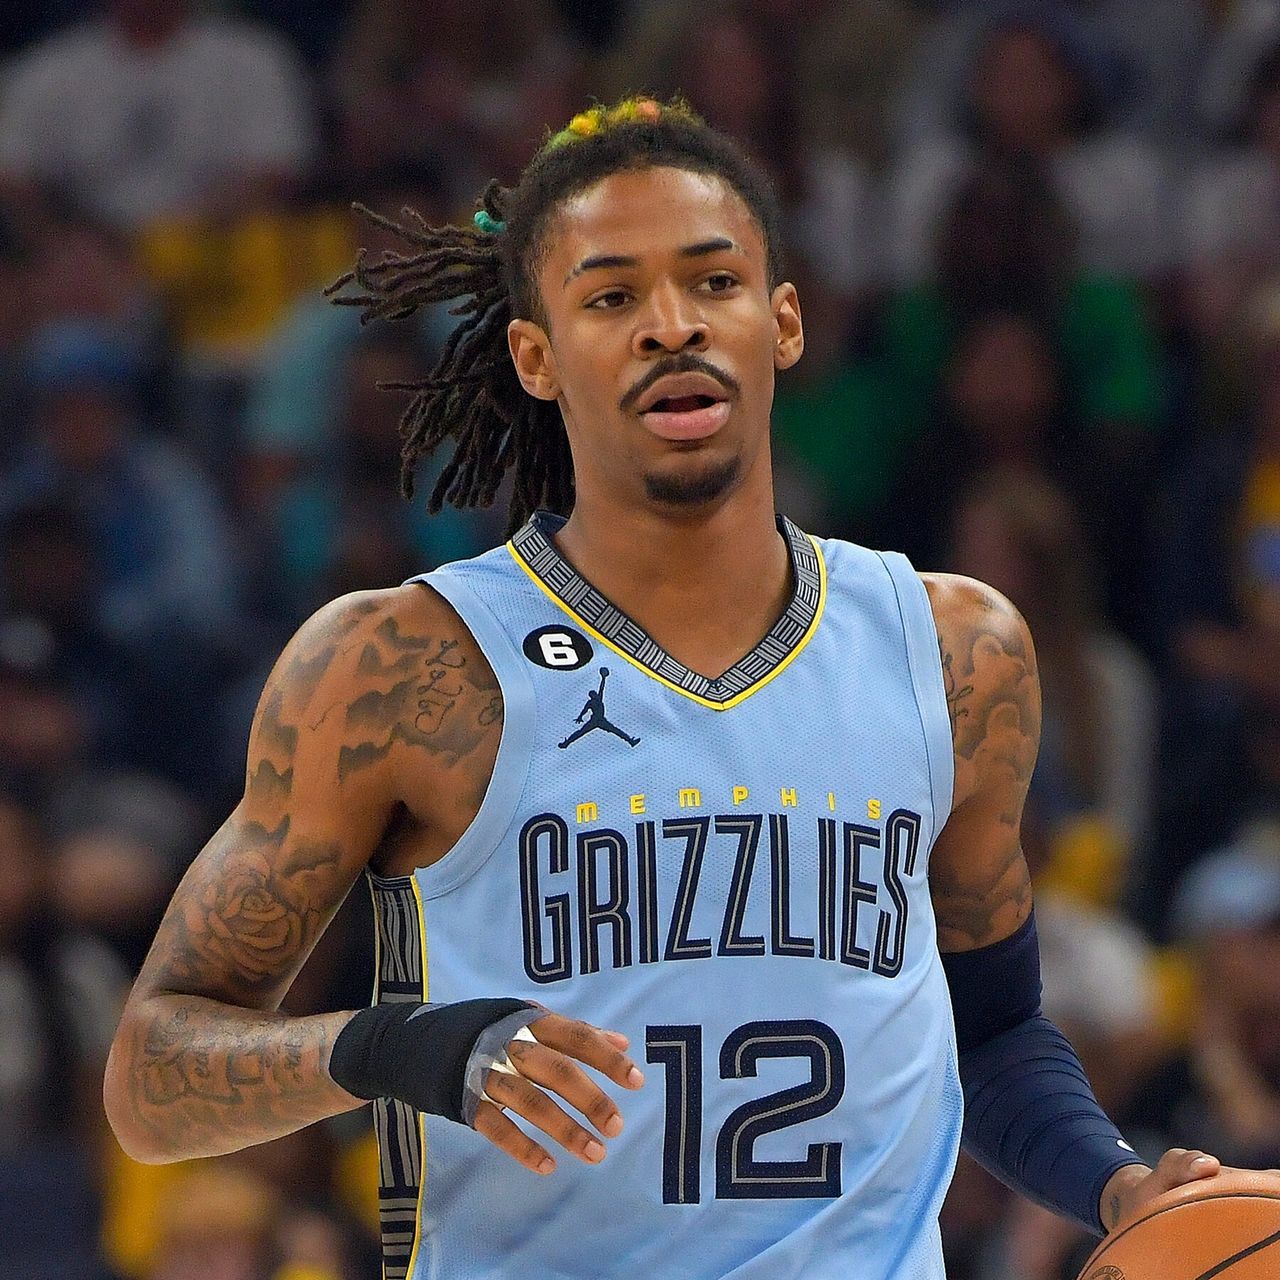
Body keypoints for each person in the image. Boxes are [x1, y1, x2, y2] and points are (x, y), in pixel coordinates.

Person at [105, 98, 1236, 1280]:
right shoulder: (404, 666)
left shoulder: (955, 649)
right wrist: (397, 1045)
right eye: (610, 297)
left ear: (782, 322)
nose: (670, 327)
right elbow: (150, 1078)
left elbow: (992, 1025)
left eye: (712, 283)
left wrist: (1115, 1179)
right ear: (534, 356)